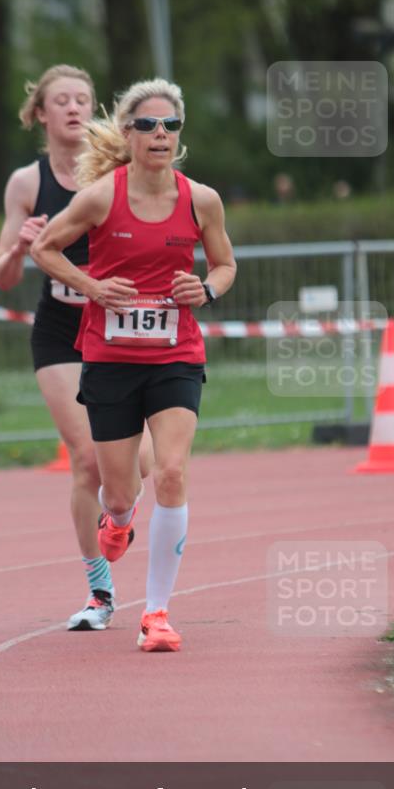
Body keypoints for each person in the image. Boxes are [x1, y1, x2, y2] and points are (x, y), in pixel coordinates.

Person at [32, 78, 236, 652]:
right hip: (110, 360)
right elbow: (45, 248)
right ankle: (116, 520)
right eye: (147, 125)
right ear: (128, 133)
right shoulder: (102, 196)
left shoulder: (202, 199)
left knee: (171, 472)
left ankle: (157, 613)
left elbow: (224, 265)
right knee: (119, 491)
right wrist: (92, 286)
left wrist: (207, 289)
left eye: (170, 125)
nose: (160, 135)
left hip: (176, 356)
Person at [0, 65, 152, 633]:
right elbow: (3, 275)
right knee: (87, 460)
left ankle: (122, 512)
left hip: (121, 329)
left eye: (83, 99)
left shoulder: (115, 166)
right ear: (40, 113)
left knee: (143, 464)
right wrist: (21, 246)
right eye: (60, 100)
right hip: (62, 332)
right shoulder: (26, 183)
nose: (74, 108)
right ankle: (100, 593)